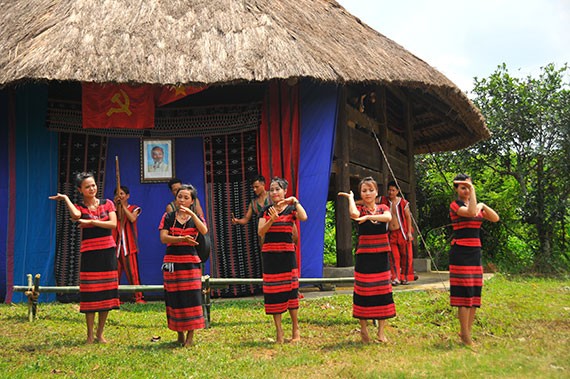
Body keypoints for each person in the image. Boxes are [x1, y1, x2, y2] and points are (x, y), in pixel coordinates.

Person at [49, 172, 120, 344]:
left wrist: (92, 223)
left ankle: (100, 334)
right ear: (80, 190)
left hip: (107, 252)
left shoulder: (107, 203)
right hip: (90, 254)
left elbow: (113, 224)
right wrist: (66, 198)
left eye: (93, 185)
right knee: (90, 293)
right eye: (87, 186)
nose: (92, 189)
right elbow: (75, 216)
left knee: (106, 292)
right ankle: (89, 335)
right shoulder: (79, 206)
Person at [338, 176, 395, 343]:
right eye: (364, 191)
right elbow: (354, 214)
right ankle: (363, 330)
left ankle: (381, 332)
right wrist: (350, 199)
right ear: (360, 194)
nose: (368, 193)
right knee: (363, 292)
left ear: (376, 192)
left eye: (371, 190)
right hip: (364, 257)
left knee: (382, 292)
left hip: (381, 256)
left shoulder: (383, 207)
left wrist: (369, 218)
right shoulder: (360, 209)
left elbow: (388, 217)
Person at [449, 174, 499, 346]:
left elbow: (495, 218)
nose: (466, 190)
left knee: (474, 294)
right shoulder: (455, 205)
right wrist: (474, 194)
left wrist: (482, 204)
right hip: (460, 253)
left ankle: (466, 332)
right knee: (463, 295)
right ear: (456, 190)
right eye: (463, 187)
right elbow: (470, 213)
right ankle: (465, 334)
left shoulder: (477, 206)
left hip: (475, 252)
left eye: (468, 186)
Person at [258, 177, 308, 343]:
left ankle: (296, 330)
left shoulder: (291, 209)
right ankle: (279, 332)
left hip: (287, 255)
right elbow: (260, 232)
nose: (274, 193)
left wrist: (296, 201)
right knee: (273, 293)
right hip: (270, 256)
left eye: (277, 189)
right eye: (271, 190)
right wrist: (272, 220)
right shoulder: (265, 210)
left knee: (291, 291)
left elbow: (304, 217)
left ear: (285, 191)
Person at [159, 184, 208, 346]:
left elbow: (204, 231)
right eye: (180, 196)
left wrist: (192, 214)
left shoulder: (196, 218)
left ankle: (190, 337)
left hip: (191, 263)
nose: (182, 200)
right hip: (172, 263)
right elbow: (164, 238)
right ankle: (179, 333)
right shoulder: (168, 216)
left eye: (186, 197)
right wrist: (181, 239)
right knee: (175, 298)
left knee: (192, 298)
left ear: (192, 201)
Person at [114, 185, 145, 304]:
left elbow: (132, 218)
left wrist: (122, 206)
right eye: (117, 194)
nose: (119, 196)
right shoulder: (112, 209)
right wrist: (117, 207)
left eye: (122, 194)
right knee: (114, 273)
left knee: (133, 273)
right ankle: (114, 298)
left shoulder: (134, 208)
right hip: (115, 245)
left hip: (129, 245)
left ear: (127, 196)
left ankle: (138, 297)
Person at [382, 181, 415, 286]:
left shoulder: (403, 203)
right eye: (389, 190)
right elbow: (371, 200)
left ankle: (405, 277)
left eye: (393, 190)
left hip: (402, 233)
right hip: (391, 234)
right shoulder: (384, 201)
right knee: (393, 256)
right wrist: (354, 201)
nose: (391, 192)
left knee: (406, 256)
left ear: (397, 191)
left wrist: (409, 232)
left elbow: (408, 217)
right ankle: (395, 277)